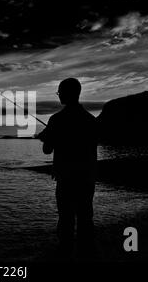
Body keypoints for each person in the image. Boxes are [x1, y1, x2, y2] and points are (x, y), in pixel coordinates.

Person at [37, 78, 98, 257]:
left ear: (67, 93)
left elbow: (47, 150)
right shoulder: (91, 120)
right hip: (87, 177)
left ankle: (66, 254)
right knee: (86, 218)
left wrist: (45, 137)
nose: (59, 96)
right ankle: (86, 253)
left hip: (65, 178)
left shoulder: (56, 120)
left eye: (60, 92)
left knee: (66, 220)